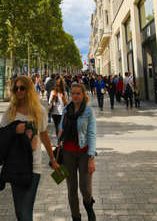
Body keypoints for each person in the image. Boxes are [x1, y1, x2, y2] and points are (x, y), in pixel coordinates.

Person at [0, 75, 59, 221]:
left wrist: (53, 159)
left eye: (22, 88)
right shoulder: (10, 112)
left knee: (25, 213)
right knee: (20, 212)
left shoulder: (40, 112)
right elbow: (0, 134)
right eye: (16, 88)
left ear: (29, 90)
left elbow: (44, 136)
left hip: (34, 167)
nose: (19, 91)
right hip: (15, 165)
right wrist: (14, 130)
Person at [59, 83, 96, 221]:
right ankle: (76, 216)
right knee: (71, 188)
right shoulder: (65, 110)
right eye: (73, 93)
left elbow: (91, 134)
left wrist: (91, 157)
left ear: (83, 94)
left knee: (85, 187)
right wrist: (60, 131)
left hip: (84, 153)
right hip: (67, 153)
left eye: (78, 93)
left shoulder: (88, 111)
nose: (75, 96)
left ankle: (88, 204)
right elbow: (61, 127)